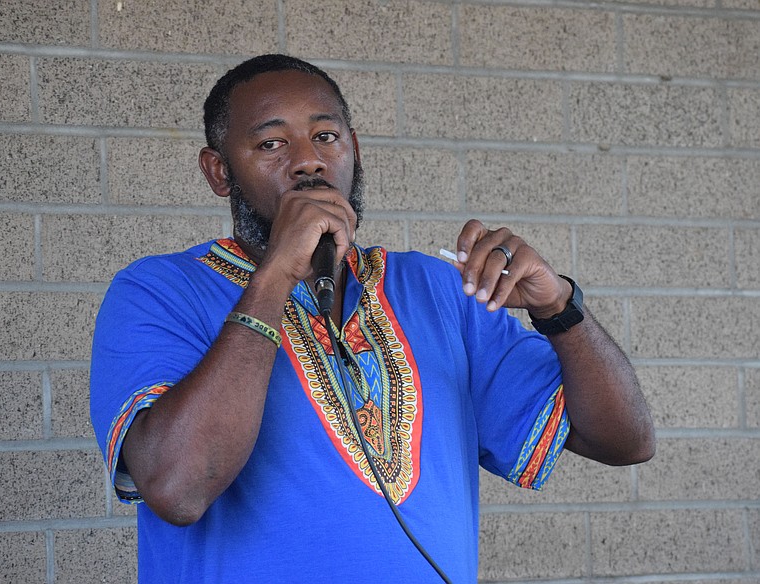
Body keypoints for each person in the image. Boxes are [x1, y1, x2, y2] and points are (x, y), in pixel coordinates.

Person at [90, 54, 655, 583]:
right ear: (219, 173)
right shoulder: (157, 292)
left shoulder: (439, 292)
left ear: (354, 151)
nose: (308, 159)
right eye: (270, 143)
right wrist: (274, 279)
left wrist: (559, 307)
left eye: (326, 136)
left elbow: (624, 440)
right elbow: (177, 488)